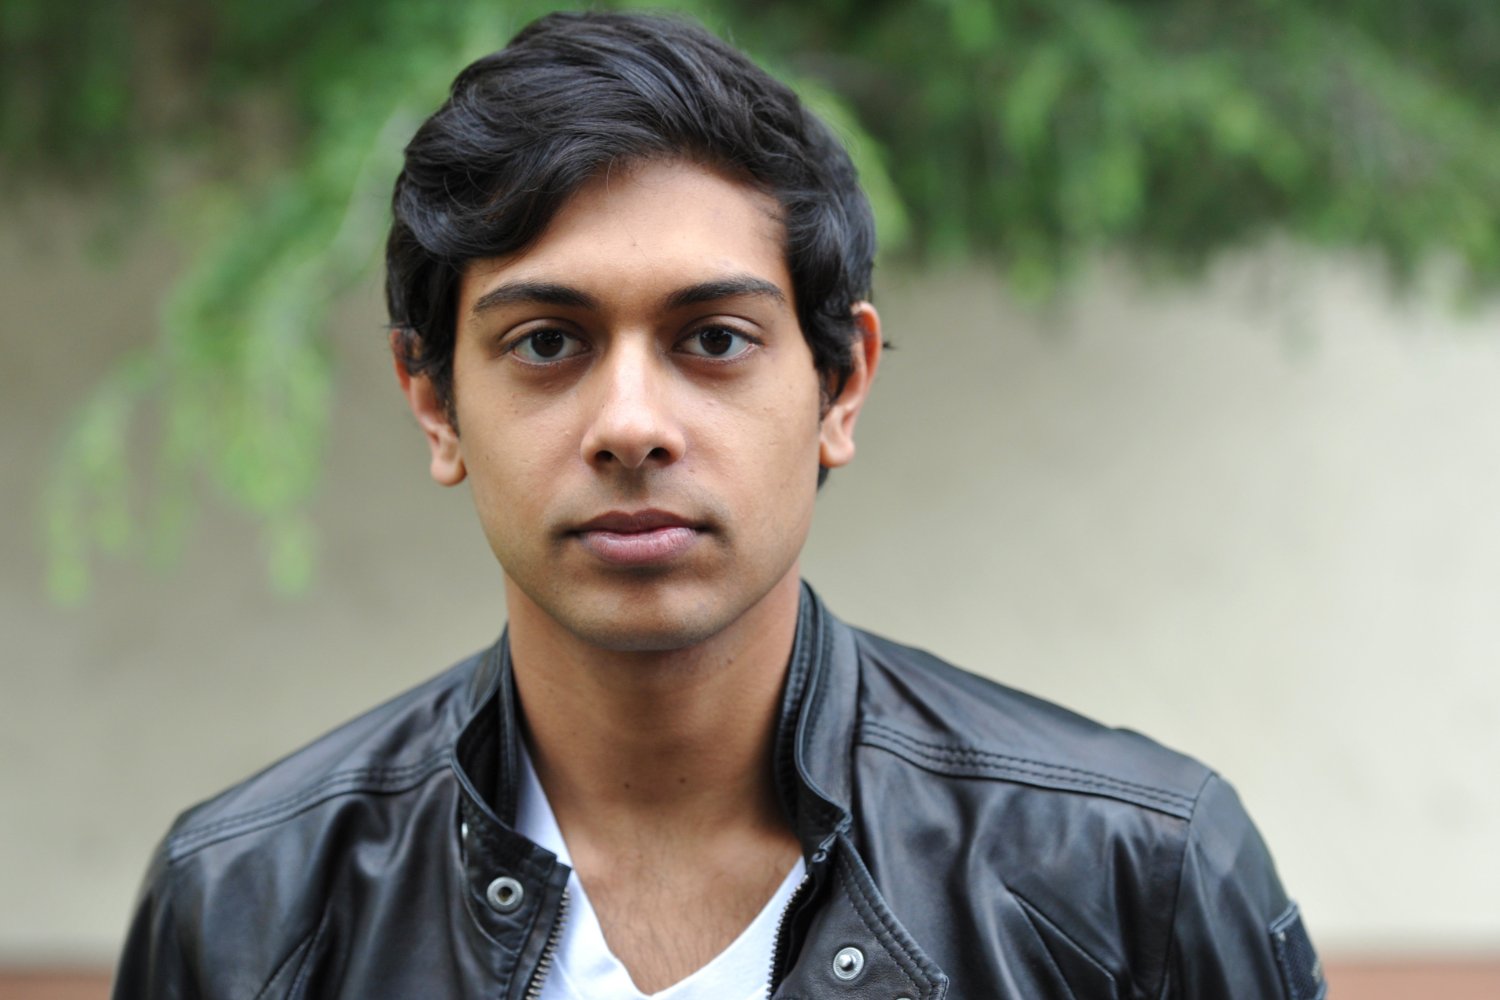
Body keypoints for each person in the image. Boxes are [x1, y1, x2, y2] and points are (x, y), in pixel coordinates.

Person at [113, 11, 1324, 1000]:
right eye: (547, 342)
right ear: (434, 404)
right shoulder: (247, 906)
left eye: (714, 338)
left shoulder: (1130, 880)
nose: (631, 424)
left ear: (840, 386)